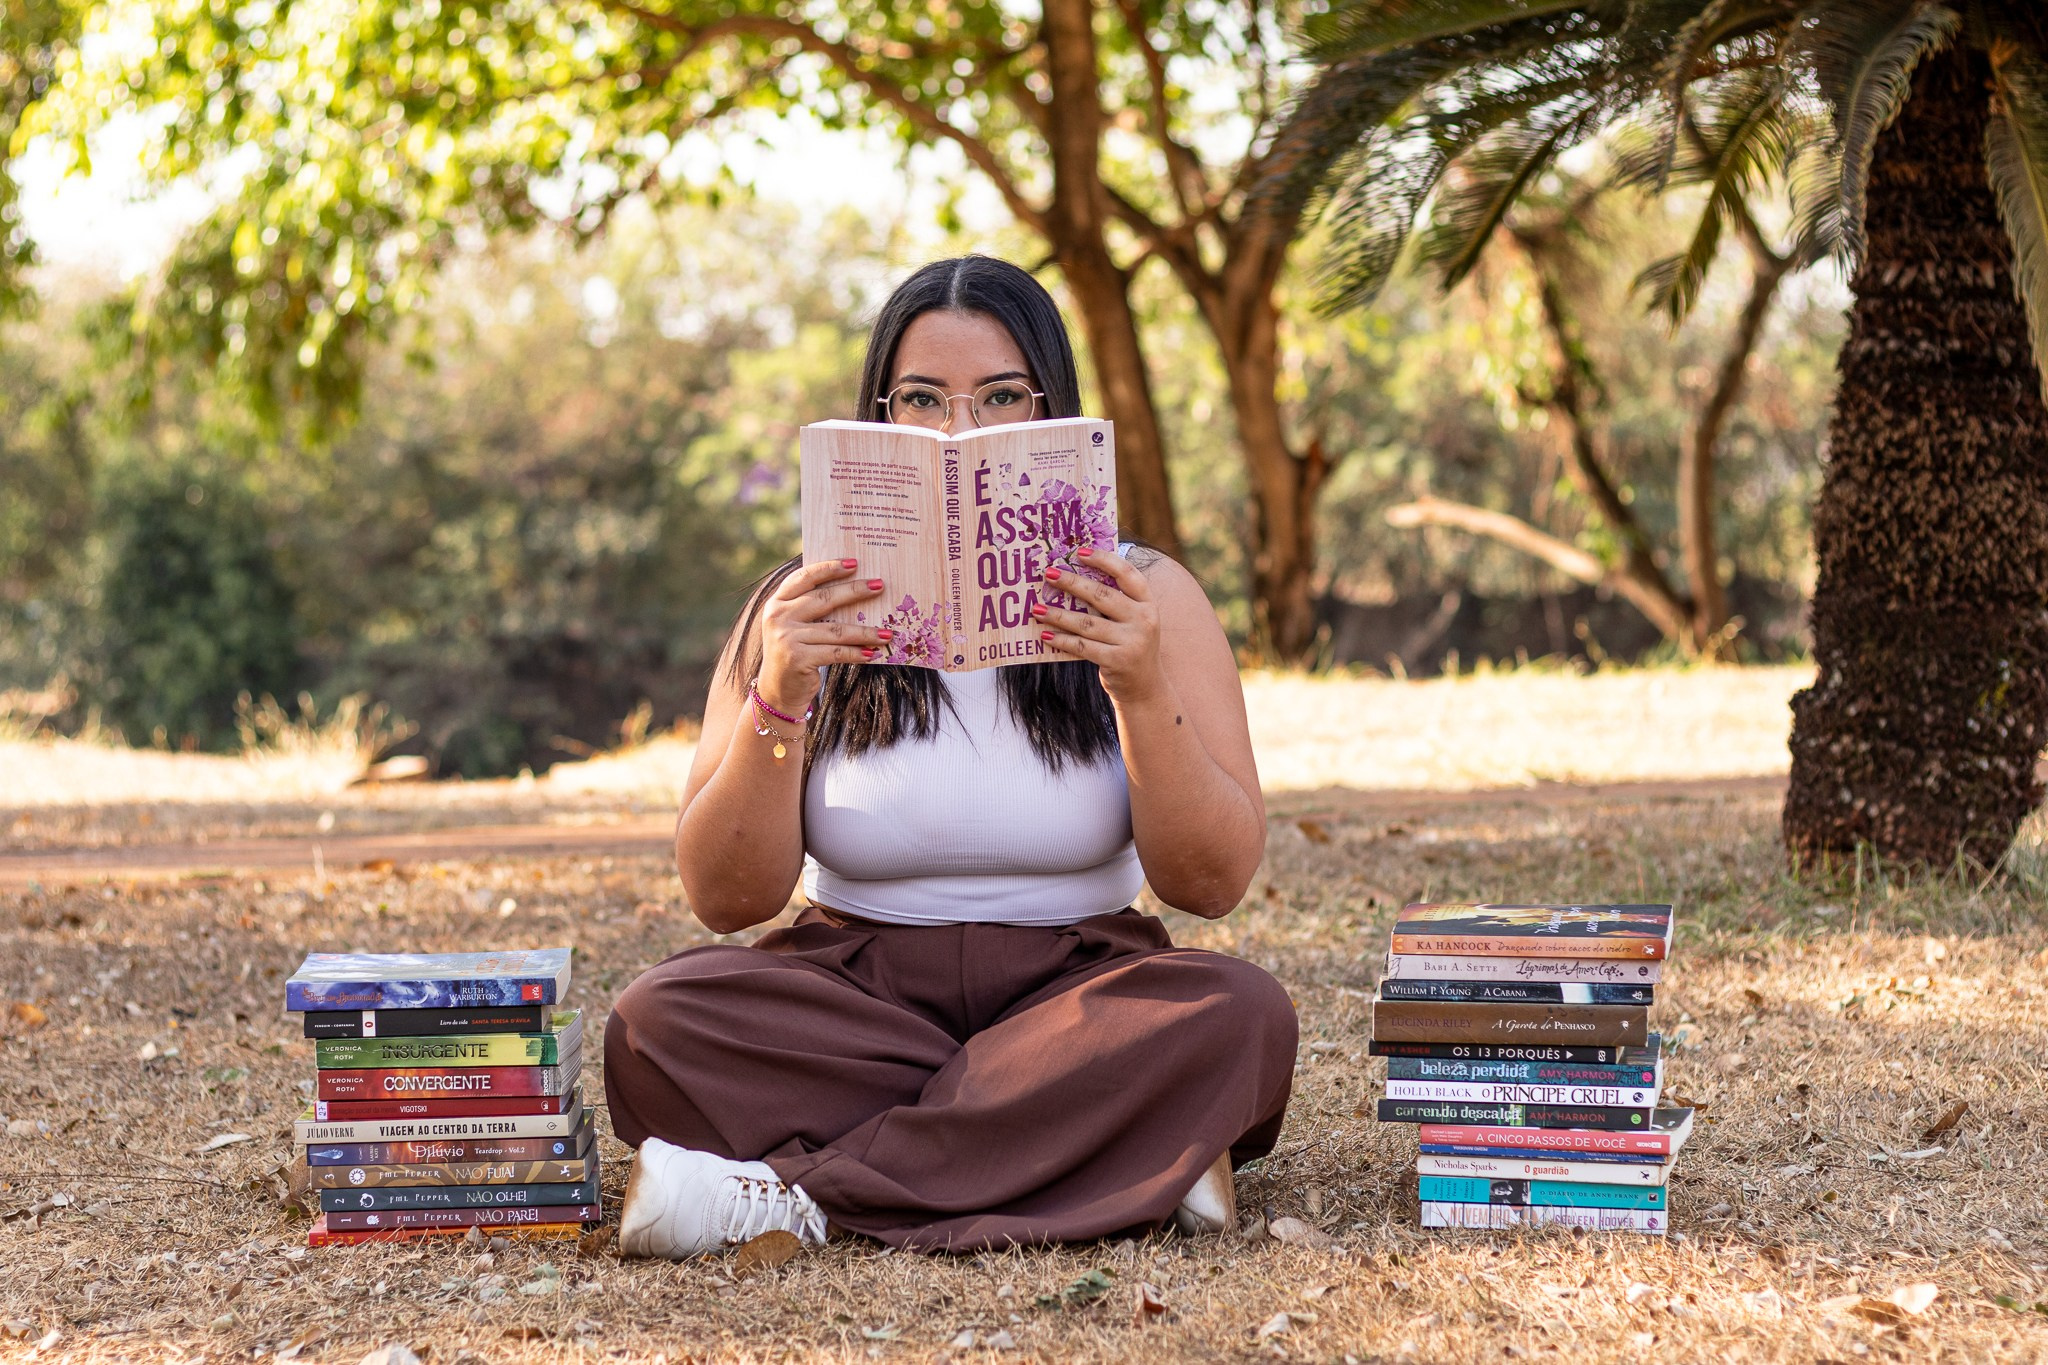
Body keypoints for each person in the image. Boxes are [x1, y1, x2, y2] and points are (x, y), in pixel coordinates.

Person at [604, 255, 1297, 1256]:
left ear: (1050, 407)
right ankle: (1109, 1158)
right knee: (655, 1022)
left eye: (998, 398)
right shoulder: (796, 604)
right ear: (879, 417)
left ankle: (798, 1201)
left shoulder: (1151, 594)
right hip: (855, 994)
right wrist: (782, 690)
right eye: (921, 399)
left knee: (1237, 1014)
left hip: (1077, 992)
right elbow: (726, 898)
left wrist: (1138, 687)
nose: (957, 433)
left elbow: (1212, 881)